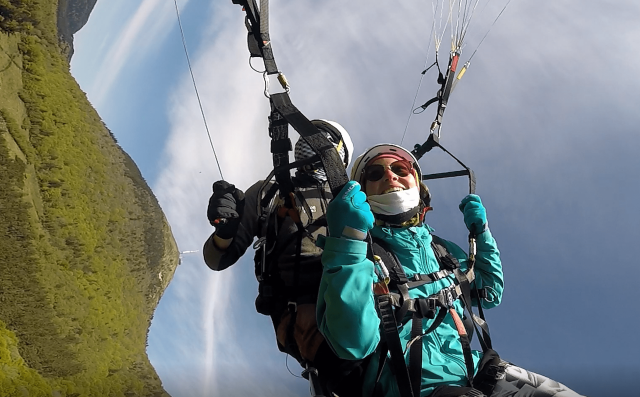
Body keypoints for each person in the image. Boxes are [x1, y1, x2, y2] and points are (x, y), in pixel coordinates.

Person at [316, 143, 584, 397]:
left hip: (480, 369)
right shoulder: (357, 256)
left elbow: (489, 292)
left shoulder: (443, 251)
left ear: (418, 187)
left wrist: (481, 233)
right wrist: (349, 240)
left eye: (400, 169)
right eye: (376, 173)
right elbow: (354, 342)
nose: (390, 175)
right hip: (418, 384)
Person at [202, 119, 364, 395]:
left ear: (339, 156)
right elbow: (217, 258)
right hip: (297, 310)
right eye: (307, 139)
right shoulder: (270, 191)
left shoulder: (354, 200)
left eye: (323, 141)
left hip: (357, 302)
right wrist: (225, 229)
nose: (312, 146)